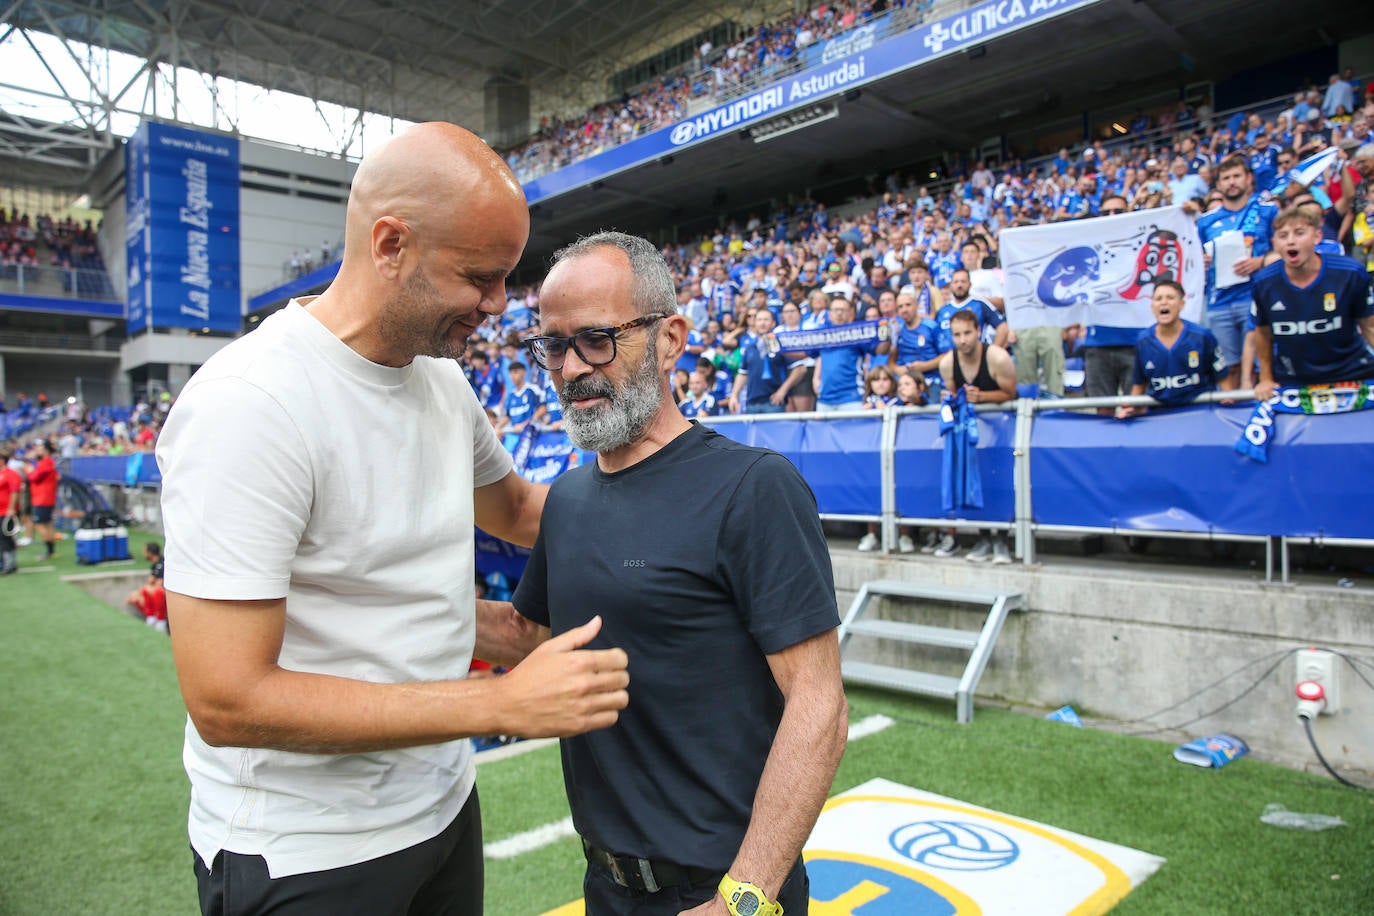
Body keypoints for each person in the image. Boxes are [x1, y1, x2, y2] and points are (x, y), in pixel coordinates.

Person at [156, 122, 631, 916]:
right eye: (480, 277)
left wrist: (676, 518)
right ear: (389, 244)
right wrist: (501, 703)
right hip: (306, 850)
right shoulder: (251, 404)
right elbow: (226, 697)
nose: (498, 305)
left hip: (438, 805)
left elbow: (516, 511)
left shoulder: (441, 382)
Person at [516, 231, 847, 916]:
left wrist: (744, 897)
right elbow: (533, 637)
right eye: (554, 345)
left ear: (670, 339)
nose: (573, 367)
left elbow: (819, 704)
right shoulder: (568, 498)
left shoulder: (754, 488)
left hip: (722, 889)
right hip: (605, 887)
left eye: (598, 339)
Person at [1251, 207, 1374, 401]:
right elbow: (1263, 333)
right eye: (1283, 236)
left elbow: (1369, 326)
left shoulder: (1350, 273)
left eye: (1299, 233)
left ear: (1317, 237)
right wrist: (1265, 379)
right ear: (1274, 243)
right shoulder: (1263, 282)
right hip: (1294, 380)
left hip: (1353, 374)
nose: (1290, 240)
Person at [937, 310, 1016, 564]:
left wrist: (982, 398)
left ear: (979, 332)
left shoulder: (997, 357)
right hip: (970, 435)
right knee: (974, 481)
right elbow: (954, 399)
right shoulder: (948, 363)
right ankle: (983, 537)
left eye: (967, 333)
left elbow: (1011, 393)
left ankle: (1002, 540)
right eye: (957, 334)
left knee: (1000, 482)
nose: (963, 340)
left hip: (1001, 430)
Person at [1196, 154, 1279, 389]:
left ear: (1248, 179)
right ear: (1219, 184)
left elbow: (1282, 252)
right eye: (1226, 178)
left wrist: (1260, 261)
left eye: (1236, 176)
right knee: (1229, 369)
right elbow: (1196, 259)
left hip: (1256, 299)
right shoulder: (1206, 222)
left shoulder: (1267, 211)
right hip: (1219, 302)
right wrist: (1201, 261)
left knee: (1258, 366)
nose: (1231, 182)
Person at [1117, 280, 1227, 418]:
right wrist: (1131, 409)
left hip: (1200, 413)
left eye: (1170, 297)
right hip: (1161, 417)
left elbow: (1223, 379)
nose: (1164, 302)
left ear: (1182, 304)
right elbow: (1139, 384)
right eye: (1158, 299)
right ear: (1152, 306)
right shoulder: (1143, 341)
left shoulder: (1202, 337)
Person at [24, 438, 58, 561]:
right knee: (47, 523)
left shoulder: (46, 462)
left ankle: (49, 550)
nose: (37, 450)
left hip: (42, 498)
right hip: (43, 497)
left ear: (46, 450)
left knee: (39, 524)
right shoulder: (45, 462)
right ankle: (51, 549)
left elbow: (35, 478)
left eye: (40, 448)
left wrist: (28, 472)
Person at [123, 541, 168, 631]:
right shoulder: (154, 565)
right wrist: (137, 593)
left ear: (150, 553)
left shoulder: (162, 563)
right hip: (157, 592)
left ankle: (160, 621)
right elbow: (150, 581)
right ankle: (151, 618)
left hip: (165, 594)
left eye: (145, 551)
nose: (144, 554)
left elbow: (159, 584)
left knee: (155, 592)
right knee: (138, 595)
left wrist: (143, 591)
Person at [0, 447, 20, 574]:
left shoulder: (11, 474)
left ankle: (9, 564)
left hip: (6, 511)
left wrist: (11, 508)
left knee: (5, 537)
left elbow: (14, 491)